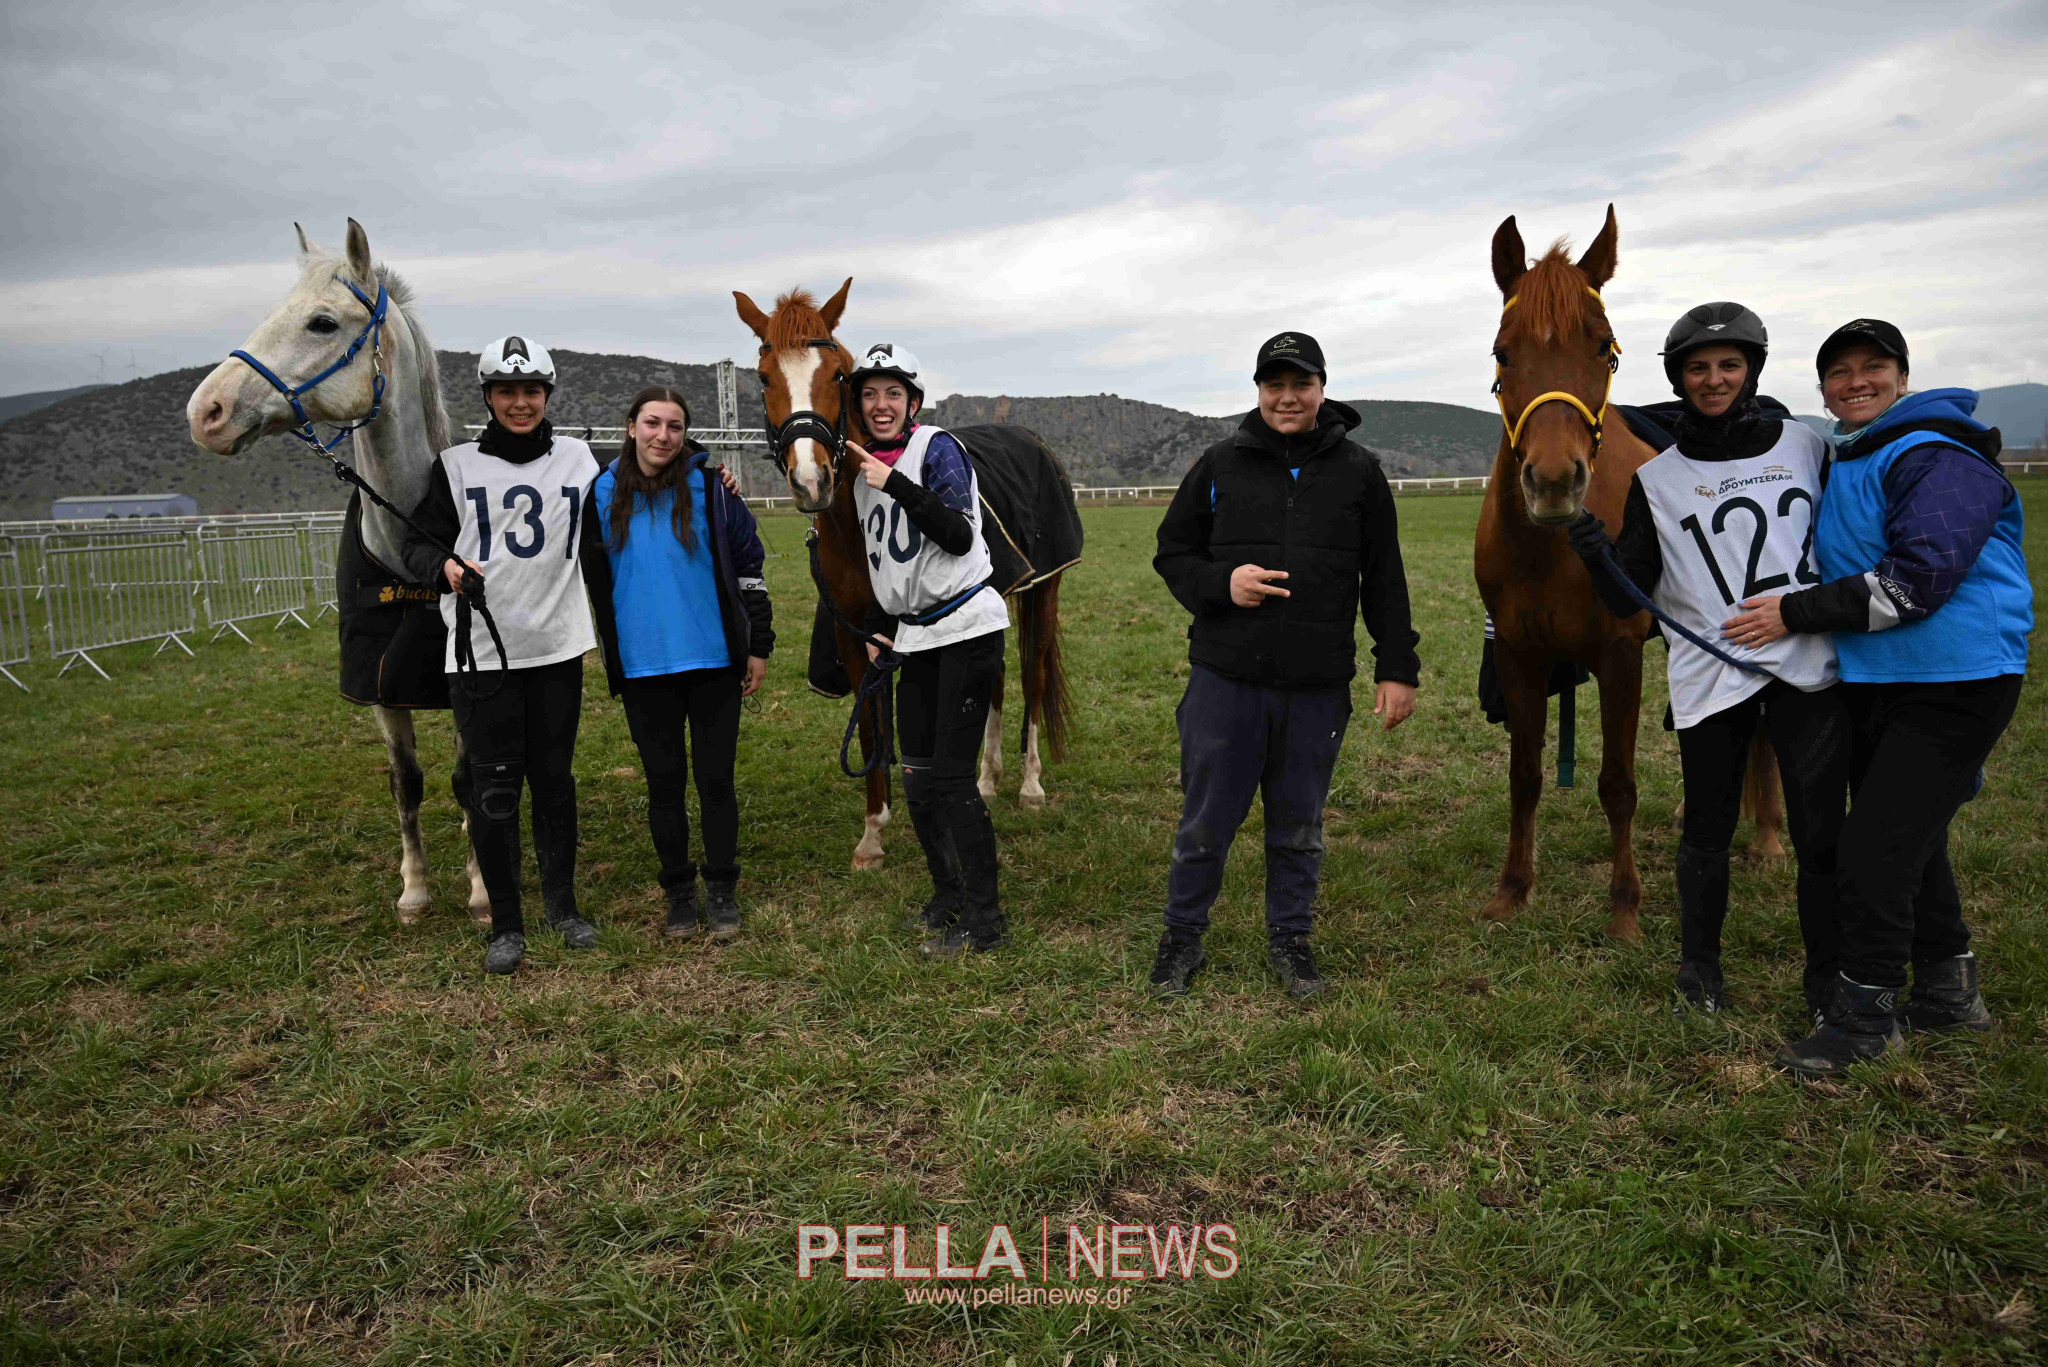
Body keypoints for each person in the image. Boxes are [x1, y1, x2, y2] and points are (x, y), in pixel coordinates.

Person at [1721, 319, 2032, 1077]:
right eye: (1840, 371)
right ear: (1822, 386)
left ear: (1902, 376)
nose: (1856, 381)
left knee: (1873, 850)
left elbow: (1913, 582)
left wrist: (1791, 611)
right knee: (1912, 841)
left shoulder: (1937, 454)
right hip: (1887, 679)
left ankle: (1865, 1017)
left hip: (1956, 679)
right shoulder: (1854, 454)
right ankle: (1949, 995)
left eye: (1874, 367)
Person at [1566, 303, 1849, 1019]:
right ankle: (1700, 969)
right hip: (1710, 676)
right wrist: (1597, 556)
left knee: (1820, 835)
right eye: (1699, 368)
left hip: (1805, 667)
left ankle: (1825, 977)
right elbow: (1632, 586)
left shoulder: (1807, 446)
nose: (1715, 379)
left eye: (1729, 365)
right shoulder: (1658, 479)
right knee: (1706, 834)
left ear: (1751, 369)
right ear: (1679, 377)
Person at [1150, 332, 1420, 1001]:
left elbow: (1384, 577)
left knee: (1299, 825)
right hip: (1226, 678)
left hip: (1316, 684)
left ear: (1322, 389)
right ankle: (1182, 938)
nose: (1287, 397)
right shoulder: (1219, 464)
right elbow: (1172, 552)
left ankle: (1291, 940)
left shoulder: (1358, 470)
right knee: (1206, 821)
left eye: (1301, 384)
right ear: (1259, 391)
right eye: (1275, 385)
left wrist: (1398, 667)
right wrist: (1222, 582)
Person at [400, 336, 600, 975]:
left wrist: (713, 469)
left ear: (547, 396)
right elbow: (416, 547)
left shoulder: (579, 458)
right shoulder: (453, 466)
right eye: (507, 392)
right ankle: (506, 925)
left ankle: (564, 909)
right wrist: (444, 567)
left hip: (556, 649)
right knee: (493, 791)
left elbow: (651, 471)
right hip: (481, 654)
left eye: (531, 391)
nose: (521, 403)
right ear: (487, 397)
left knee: (555, 783)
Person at [578, 386, 774, 941]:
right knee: (663, 785)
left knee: (717, 783)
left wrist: (759, 645)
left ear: (685, 434)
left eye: (674, 426)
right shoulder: (599, 492)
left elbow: (750, 568)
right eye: (652, 424)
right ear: (631, 425)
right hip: (643, 667)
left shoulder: (712, 488)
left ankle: (722, 891)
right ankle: (680, 896)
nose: (662, 436)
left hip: (714, 662)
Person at [844, 343, 1013, 959]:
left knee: (951, 779)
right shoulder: (862, 474)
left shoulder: (936, 447)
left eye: (893, 393)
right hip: (913, 634)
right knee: (914, 779)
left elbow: (958, 533)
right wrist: (880, 622)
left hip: (965, 628)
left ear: (912, 402)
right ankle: (948, 893)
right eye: (870, 394)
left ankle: (987, 918)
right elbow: (888, 563)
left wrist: (896, 485)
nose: (881, 404)